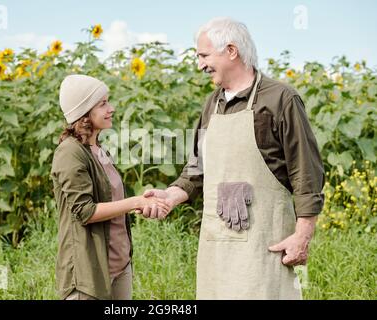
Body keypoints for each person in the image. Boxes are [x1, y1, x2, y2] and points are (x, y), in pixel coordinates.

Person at [139, 17, 325, 299]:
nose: (199, 64)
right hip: (217, 248)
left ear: (231, 51)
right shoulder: (212, 104)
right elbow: (196, 169)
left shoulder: (280, 99)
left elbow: (306, 171)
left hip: (264, 247)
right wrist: (170, 196)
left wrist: (302, 236)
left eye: (203, 55)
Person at [51, 74, 170, 300]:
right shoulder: (69, 152)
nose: (111, 108)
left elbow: (110, 201)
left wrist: (142, 203)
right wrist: (135, 202)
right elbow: (85, 212)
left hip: (119, 264)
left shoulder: (98, 149)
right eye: (103, 103)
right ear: (84, 112)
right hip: (89, 273)